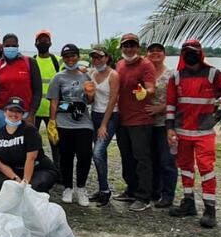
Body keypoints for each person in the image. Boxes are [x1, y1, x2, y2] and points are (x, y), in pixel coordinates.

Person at [166, 39, 221, 229]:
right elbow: (171, 104)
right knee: (185, 167)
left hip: (203, 132)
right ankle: (188, 202)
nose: (190, 54)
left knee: (206, 169)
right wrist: (169, 128)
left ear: (200, 53)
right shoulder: (176, 77)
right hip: (182, 131)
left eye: (193, 51)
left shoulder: (213, 73)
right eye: (186, 51)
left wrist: (218, 115)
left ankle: (210, 209)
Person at [113, 33, 157, 211]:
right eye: (126, 46)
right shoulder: (120, 64)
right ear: (122, 48)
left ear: (138, 48)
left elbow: (151, 87)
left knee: (142, 159)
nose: (129, 49)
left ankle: (144, 196)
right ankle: (131, 189)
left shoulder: (146, 64)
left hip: (140, 120)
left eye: (132, 46)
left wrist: (146, 93)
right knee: (127, 158)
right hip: (122, 119)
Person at [46, 44, 95, 206]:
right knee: (65, 156)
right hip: (63, 121)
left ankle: (81, 188)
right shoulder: (58, 77)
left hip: (83, 122)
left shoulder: (85, 76)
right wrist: (52, 122)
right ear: (63, 59)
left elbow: (90, 100)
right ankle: (68, 187)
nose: (70, 59)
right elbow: (54, 102)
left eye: (73, 56)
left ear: (78, 56)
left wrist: (89, 95)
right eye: (66, 57)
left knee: (84, 154)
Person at [0, 96, 58, 193]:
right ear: (5, 112)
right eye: (11, 110)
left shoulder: (29, 130)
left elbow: (31, 158)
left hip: (37, 169)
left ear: (23, 114)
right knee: (1, 184)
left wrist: (25, 183)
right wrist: (15, 179)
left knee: (34, 186)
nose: (14, 114)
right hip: (14, 172)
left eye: (18, 111)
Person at [145, 42, 178, 208]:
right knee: (151, 160)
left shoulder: (172, 74)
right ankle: (153, 191)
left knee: (167, 160)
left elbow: (179, 99)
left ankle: (168, 195)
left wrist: (160, 108)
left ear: (164, 54)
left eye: (159, 51)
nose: (155, 53)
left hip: (166, 123)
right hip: (146, 124)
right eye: (151, 51)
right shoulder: (144, 73)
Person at [88, 47, 120, 205]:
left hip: (110, 116)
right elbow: (90, 99)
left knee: (98, 152)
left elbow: (113, 100)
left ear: (107, 58)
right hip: (94, 114)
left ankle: (106, 191)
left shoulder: (113, 75)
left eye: (100, 57)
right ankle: (102, 188)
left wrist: (104, 125)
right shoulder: (92, 74)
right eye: (94, 58)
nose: (97, 60)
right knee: (101, 155)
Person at [0, 33, 43, 127]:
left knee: (24, 140)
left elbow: (38, 90)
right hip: (2, 113)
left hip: (25, 113)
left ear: (18, 46)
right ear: (3, 47)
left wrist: (32, 114)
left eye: (13, 45)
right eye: (7, 46)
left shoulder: (30, 62)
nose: (10, 48)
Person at [32, 30, 61, 144]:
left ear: (50, 43)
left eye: (46, 40)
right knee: (33, 143)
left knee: (55, 142)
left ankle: (57, 163)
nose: (43, 42)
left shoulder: (58, 61)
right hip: (35, 110)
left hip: (53, 111)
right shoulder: (32, 61)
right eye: (40, 40)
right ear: (35, 44)